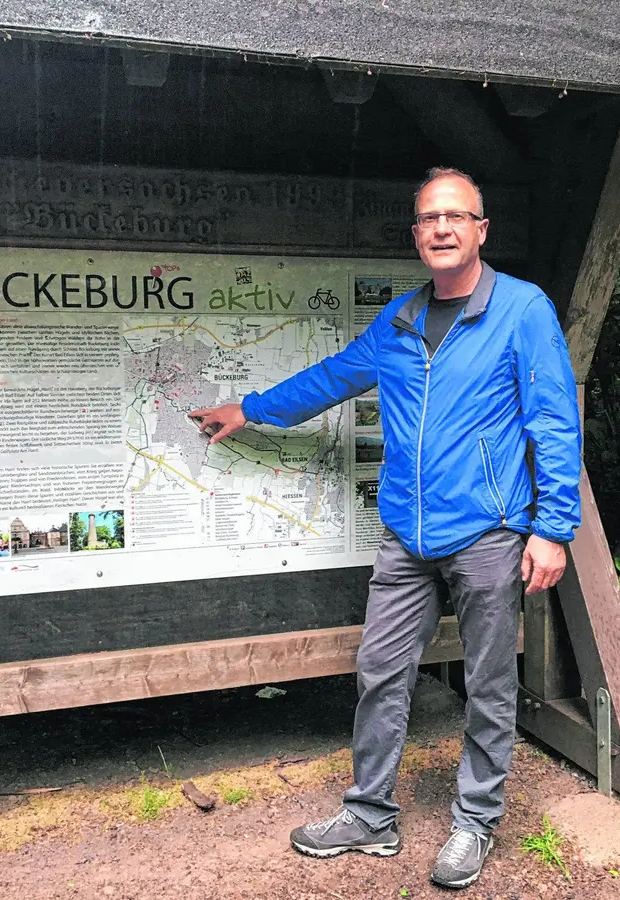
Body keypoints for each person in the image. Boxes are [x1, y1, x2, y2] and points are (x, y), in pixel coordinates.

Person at [189, 167, 581, 891]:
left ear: (480, 230)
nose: (442, 228)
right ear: (416, 234)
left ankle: (474, 822)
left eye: (456, 216)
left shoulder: (522, 311)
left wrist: (553, 528)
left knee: (490, 683)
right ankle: (370, 815)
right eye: (430, 218)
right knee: (379, 672)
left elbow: (553, 421)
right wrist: (248, 407)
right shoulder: (398, 321)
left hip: (489, 532)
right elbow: (332, 377)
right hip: (407, 534)